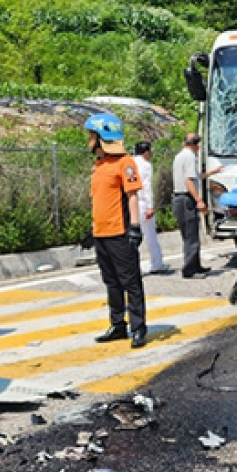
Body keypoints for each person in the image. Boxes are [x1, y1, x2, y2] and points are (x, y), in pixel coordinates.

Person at [86, 113, 147, 349]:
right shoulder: (99, 166)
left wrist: (134, 227)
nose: (89, 140)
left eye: (92, 135)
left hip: (120, 233)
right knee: (111, 282)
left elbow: (132, 196)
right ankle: (118, 324)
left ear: (102, 137)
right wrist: (92, 229)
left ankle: (139, 328)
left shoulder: (125, 162)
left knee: (130, 282)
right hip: (102, 234)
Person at [172, 135, 222, 278]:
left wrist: (212, 172)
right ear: (196, 145)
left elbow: (195, 176)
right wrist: (199, 200)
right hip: (185, 198)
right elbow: (189, 181)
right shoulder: (189, 157)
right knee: (190, 236)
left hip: (182, 198)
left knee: (193, 233)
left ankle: (196, 265)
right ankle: (189, 270)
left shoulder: (181, 155)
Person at [133, 141, 169, 274]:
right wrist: (150, 206)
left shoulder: (129, 163)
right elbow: (146, 186)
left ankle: (133, 265)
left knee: (133, 235)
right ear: (146, 152)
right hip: (142, 202)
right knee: (149, 234)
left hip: (131, 202)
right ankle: (156, 262)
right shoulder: (146, 165)